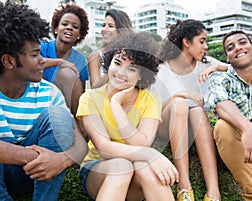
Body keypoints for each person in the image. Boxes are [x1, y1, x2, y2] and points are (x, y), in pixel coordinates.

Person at [0, 1, 87, 200]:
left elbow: (81, 146)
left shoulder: (48, 92)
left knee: (59, 115)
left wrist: (59, 161)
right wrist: (32, 156)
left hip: (31, 174)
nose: (43, 60)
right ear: (8, 61)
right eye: (35, 55)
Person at [77, 31, 178, 201]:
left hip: (136, 176)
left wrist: (116, 106)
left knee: (144, 167)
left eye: (132, 68)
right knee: (121, 165)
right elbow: (103, 147)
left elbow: (141, 143)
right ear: (109, 63)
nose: (121, 73)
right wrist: (151, 155)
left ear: (142, 75)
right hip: (100, 170)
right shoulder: (90, 98)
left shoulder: (150, 100)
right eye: (117, 63)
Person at [150, 19, 227, 201]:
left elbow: (237, 69)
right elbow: (153, 108)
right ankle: (184, 186)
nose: (206, 46)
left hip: (195, 126)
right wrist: (183, 94)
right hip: (167, 124)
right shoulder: (161, 70)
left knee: (197, 111)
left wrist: (218, 66)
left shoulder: (207, 64)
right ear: (186, 42)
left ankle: (213, 192)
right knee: (180, 104)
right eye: (202, 41)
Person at [208, 30, 252, 201]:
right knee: (223, 126)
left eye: (242, 42)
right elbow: (220, 103)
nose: (238, 48)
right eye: (231, 48)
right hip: (235, 149)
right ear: (228, 58)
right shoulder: (220, 79)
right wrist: (248, 129)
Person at [40, 3, 89, 117]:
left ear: (79, 34)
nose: (69, 27)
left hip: (67, 109)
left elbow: (79, 96)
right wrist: (60, 62)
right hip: (42, 103)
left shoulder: (80, 60)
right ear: (56, 28)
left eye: (75, 26)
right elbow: (33, 65)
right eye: (64, 24)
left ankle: (80, 128)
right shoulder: (41, 48)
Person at [88, 9, 133, 89]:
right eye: (103, 25)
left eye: (110, 26)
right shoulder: (95, 57)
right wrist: (111, 69)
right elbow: (95, 89)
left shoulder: (132, 54)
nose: (104, 29)